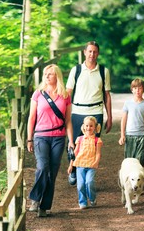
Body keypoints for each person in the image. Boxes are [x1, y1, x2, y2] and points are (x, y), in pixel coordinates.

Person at [27, 64, 74, 217]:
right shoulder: (38, 94)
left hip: (59, 138)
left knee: (52, 173)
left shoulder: (65, 95)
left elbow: (68, 121)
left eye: (50, 74)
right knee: (42, 167)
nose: (47, 76)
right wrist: (29, 139)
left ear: (57, 76)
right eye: (45, 74)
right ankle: (35, 199)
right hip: (41, 136)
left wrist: (71, 141)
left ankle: (44, 206)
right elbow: (31, 118)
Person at [66, 41, 112, 183]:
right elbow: (68, 92)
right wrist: (64, 114)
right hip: (77, 111)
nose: (92, 54)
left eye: (95, 52)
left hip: (96, 111)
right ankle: (73, 169)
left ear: (98, 54)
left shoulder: (104, 71)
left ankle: (87, 176)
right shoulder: (76, 70)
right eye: (90, 51)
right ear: (85, 52)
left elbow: (107, 95)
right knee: (74, 143)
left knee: (91, 145)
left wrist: (109, 117)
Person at [67, 116, 103, 209]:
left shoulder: (97, 140)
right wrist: (71, 165)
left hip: (91, 165)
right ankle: (82, 202)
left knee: (89, 182)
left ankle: (92, 198)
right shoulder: (79, 139)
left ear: (95, 127)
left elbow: (98, 153)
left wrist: (96, 162)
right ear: (84, 126)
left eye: (91, 126)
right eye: (87, 126)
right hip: (80, 165)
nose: (88, 128)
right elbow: (75, 153)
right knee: (80, 185)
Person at [118, 78, 144, 166]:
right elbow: (124, 119)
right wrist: (122, 135)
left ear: (143, 89)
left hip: (142, 135)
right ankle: (129, 178)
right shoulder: (127, 103)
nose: (137, 90)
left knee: (140, 160)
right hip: (130, 135)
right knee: (129, 160)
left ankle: (139, 178)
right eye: (135, 88)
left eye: (140, 88)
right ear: (132, 90)